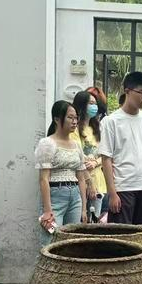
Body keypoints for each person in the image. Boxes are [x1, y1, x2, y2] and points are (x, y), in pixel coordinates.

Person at [99, 71, 142, 227]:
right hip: (123, 188)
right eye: (141, 92)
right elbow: (106, 159)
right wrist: (112, 193)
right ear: (127, 91)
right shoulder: (111, 121)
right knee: (121, 235)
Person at [35, 100, 89, 240]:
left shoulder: (76, 145)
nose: (74, 121)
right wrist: (47, 210)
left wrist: (84, 208)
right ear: (57, 119)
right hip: (55, 196)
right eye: (70, 117)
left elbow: (81, 178)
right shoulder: (47, 143)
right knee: (51, 239)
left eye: (76, 118)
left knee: (73, 239)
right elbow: (43, 179)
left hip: (75, 196)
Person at [71, 90, 107, 219]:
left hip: (99, 181)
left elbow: (105, 154)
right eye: (90, 103)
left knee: (96, 219)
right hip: (82, 180)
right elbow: (77, 155)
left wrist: (95, 162)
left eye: (95, 103)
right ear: (81, 105)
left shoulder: (97, 128)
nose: (94, 106)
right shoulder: (74, 129)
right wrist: (88, 181)